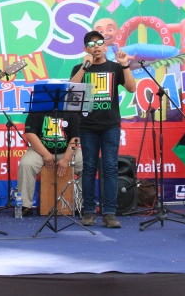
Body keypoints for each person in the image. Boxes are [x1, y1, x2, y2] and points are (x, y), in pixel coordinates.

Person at [69, 30, 136, 228]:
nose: (96, 47)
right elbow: (72, 90)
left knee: (110, 168)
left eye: (99, 43)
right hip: (87, 126)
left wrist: (125, 65)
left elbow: (132, 88)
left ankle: (109, 213)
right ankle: (89, 212)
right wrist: (84, 67)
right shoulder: (79, 68)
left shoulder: (115, 68)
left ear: (105, 47)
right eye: (91, 44)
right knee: (89, 168)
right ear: (85, 49)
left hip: (110, 126)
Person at [17, 110, 82, 216]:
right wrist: (46, 154)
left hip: (66, 151)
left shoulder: (71, 110)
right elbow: (30, 134)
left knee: (86, 164)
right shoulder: (38, 109)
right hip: (40, 151)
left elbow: (75, 138)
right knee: (26, 164)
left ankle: (82, 205)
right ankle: (25, 205)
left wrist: (66, 159)